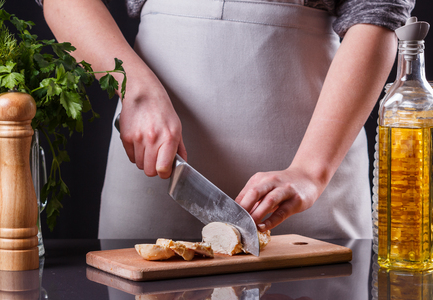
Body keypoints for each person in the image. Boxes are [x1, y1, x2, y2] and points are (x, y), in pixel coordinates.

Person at [38, 0, 414, 240]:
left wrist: (310, 172)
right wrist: (134, 88)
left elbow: (378, 14)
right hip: (156, 161)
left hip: (313, 154)